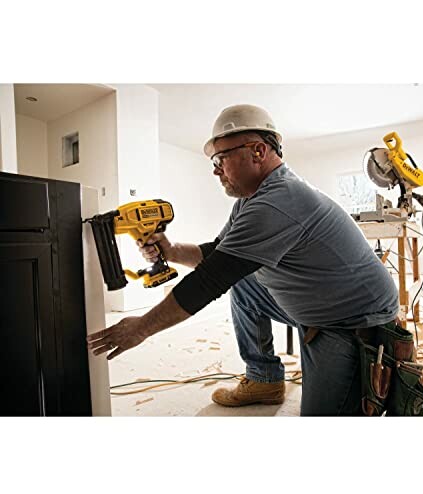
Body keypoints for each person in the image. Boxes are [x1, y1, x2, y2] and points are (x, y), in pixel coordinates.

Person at [87, 104, 399, 416]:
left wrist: (141, 327)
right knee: (246, 284)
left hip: (352, 319)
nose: (215, 169)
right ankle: (264, 378)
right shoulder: (251, 199)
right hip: (320, 301)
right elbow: (218, 253)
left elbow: (210, 280)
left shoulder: (277, 202)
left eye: (220, 158)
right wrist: (171, 250)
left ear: (258, 151)